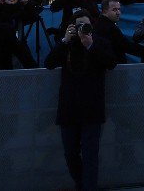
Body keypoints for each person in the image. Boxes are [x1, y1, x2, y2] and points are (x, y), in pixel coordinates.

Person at [44, 10, 117, 191]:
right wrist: (64, 41)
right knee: (70, 152)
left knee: (91, 154)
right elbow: (49, 63)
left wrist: (91, 45)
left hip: (92, 107)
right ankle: (81, 183)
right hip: (69, 106)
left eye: (86, 25)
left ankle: (88, 187)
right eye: (78, 26)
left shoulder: (100, 42)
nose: (83, 30)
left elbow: (111, 63)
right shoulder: (67, 44)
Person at [92, 0, 139, 64]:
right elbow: (125, 45)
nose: (118, 13)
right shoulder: (108, 27)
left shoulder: (102, 23)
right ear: (105, 11)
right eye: (114, 10)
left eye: (119, 9)